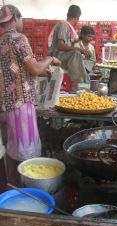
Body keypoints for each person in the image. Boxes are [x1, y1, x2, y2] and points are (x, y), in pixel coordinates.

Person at [0, 4, 61, 185]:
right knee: (27, 153)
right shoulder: (19, 39)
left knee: (11, 150)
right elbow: (34, 69)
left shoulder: (1, 42)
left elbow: (16, 70)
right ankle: (29, 190)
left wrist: (42, 71)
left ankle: (12, 190)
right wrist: (50, 59)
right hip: (21, 105)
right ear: (16, 18)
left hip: (4, 106)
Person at [48, 5, 90, 92]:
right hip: (56, 57)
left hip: (62, 56)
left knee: (77, 54)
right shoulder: (64, 25)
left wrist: (80, 39)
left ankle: (77, 83)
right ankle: (74, 86)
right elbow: (60, 45)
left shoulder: (68, 28)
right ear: (77, 17)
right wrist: (80, 50)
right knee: (76, 53)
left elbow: (68, 43)